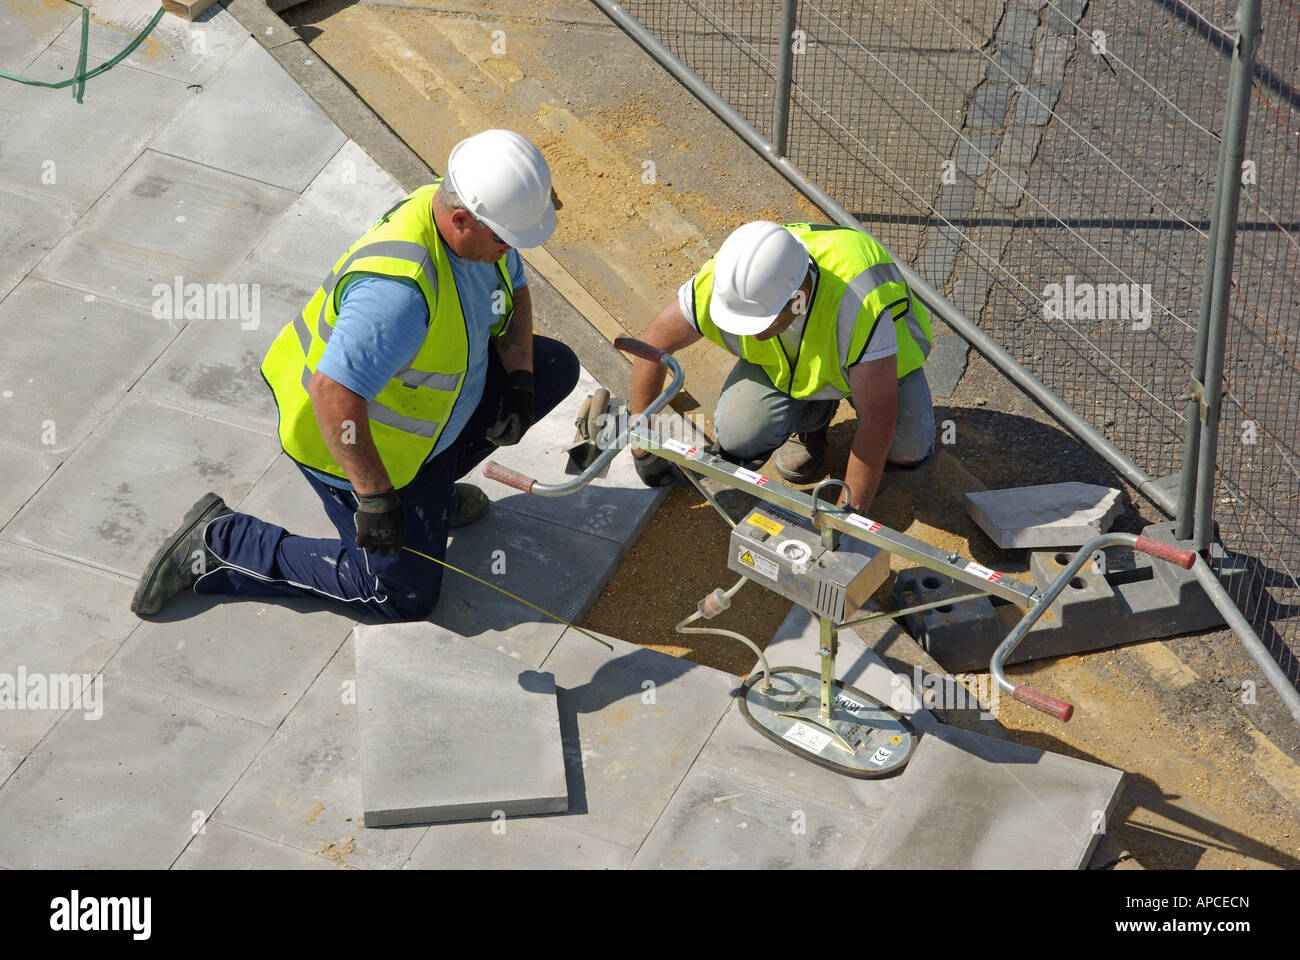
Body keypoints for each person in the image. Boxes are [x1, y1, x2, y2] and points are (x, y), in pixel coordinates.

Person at [131, 129, 579, 622]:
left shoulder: (472, 218)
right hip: (350, 440)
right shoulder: (399, 296)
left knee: (551, 369)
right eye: (505, 240)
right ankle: (222, 545)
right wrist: (376, 499)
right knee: (401, 597)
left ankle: (430, 502)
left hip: (424, 422)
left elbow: (513, 289)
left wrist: (518, 379)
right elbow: (333, 393)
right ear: (460, 220)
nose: (510, 250)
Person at [628, 220, 935, 512]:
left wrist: (845, 518)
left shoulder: (860, 302)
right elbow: (654, 343)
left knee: (908, 451)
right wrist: (641, 440)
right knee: (739, 436)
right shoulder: (731, 281)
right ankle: (811, 421)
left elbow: (879, 418)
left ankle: (831, 415)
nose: (751, 333)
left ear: (797, 298)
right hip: (796, 368)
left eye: (761, 321)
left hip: (883, 366)